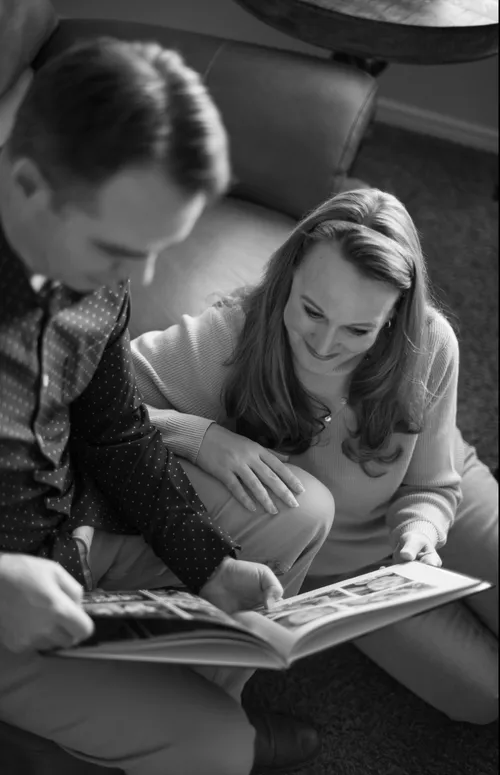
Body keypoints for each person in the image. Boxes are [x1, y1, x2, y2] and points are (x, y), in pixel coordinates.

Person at [0, 37, 335, 775]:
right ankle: (205, 738)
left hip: (74, 527)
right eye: (119, 246)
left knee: (297, 511)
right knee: (215, 747)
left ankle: (189, 709)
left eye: (158, 249)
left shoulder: (98, 278)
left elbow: (115, 429)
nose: (138, 276)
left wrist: (208, 563)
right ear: (24, 185)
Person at [131, 187, 498, 725]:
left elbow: (433, 485)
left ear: (396, 317)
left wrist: (420, 530)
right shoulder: (232, 336)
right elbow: (91, 398)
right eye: (311, 311)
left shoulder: (432, 344)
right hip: (343, 571)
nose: (325, 345)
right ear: (289, 278)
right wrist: (204, 435)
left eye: (358, 330)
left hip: (440, 496)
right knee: (483, 698)